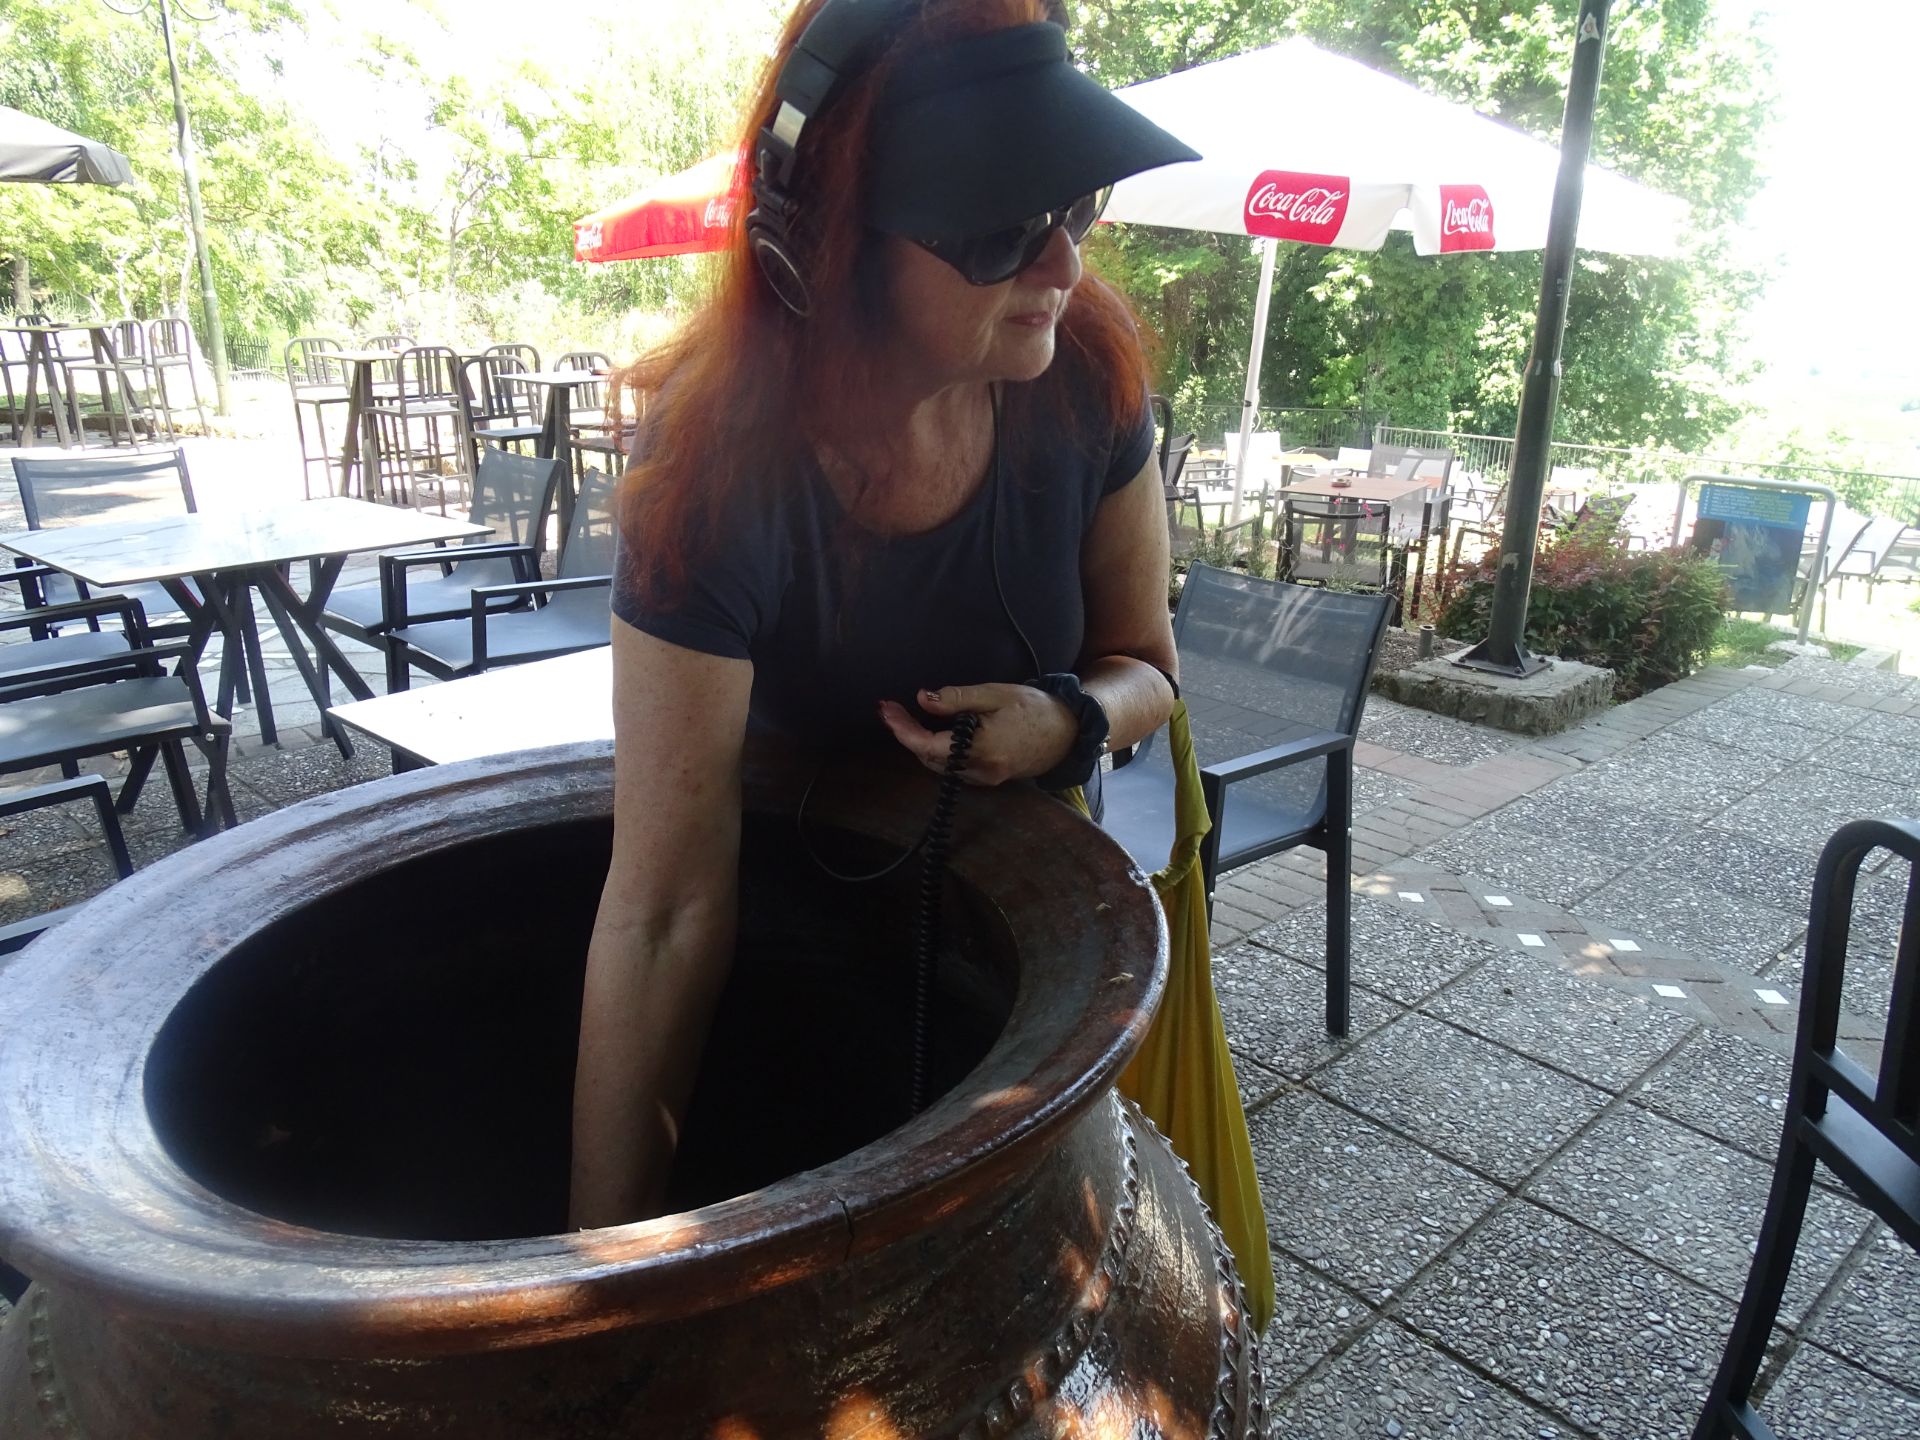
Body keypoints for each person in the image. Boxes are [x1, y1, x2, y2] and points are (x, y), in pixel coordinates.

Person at [570, 0, 1201, 1228]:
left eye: (1075, 207)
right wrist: (601, 1266)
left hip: (1014, 952)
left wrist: (1065, 723)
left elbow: (1149, 668)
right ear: (828, 245)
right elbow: (661, 910)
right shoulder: (713, 464)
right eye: (1003, 227)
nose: (1064, 267)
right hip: (786, 945)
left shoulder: (1089, 377)